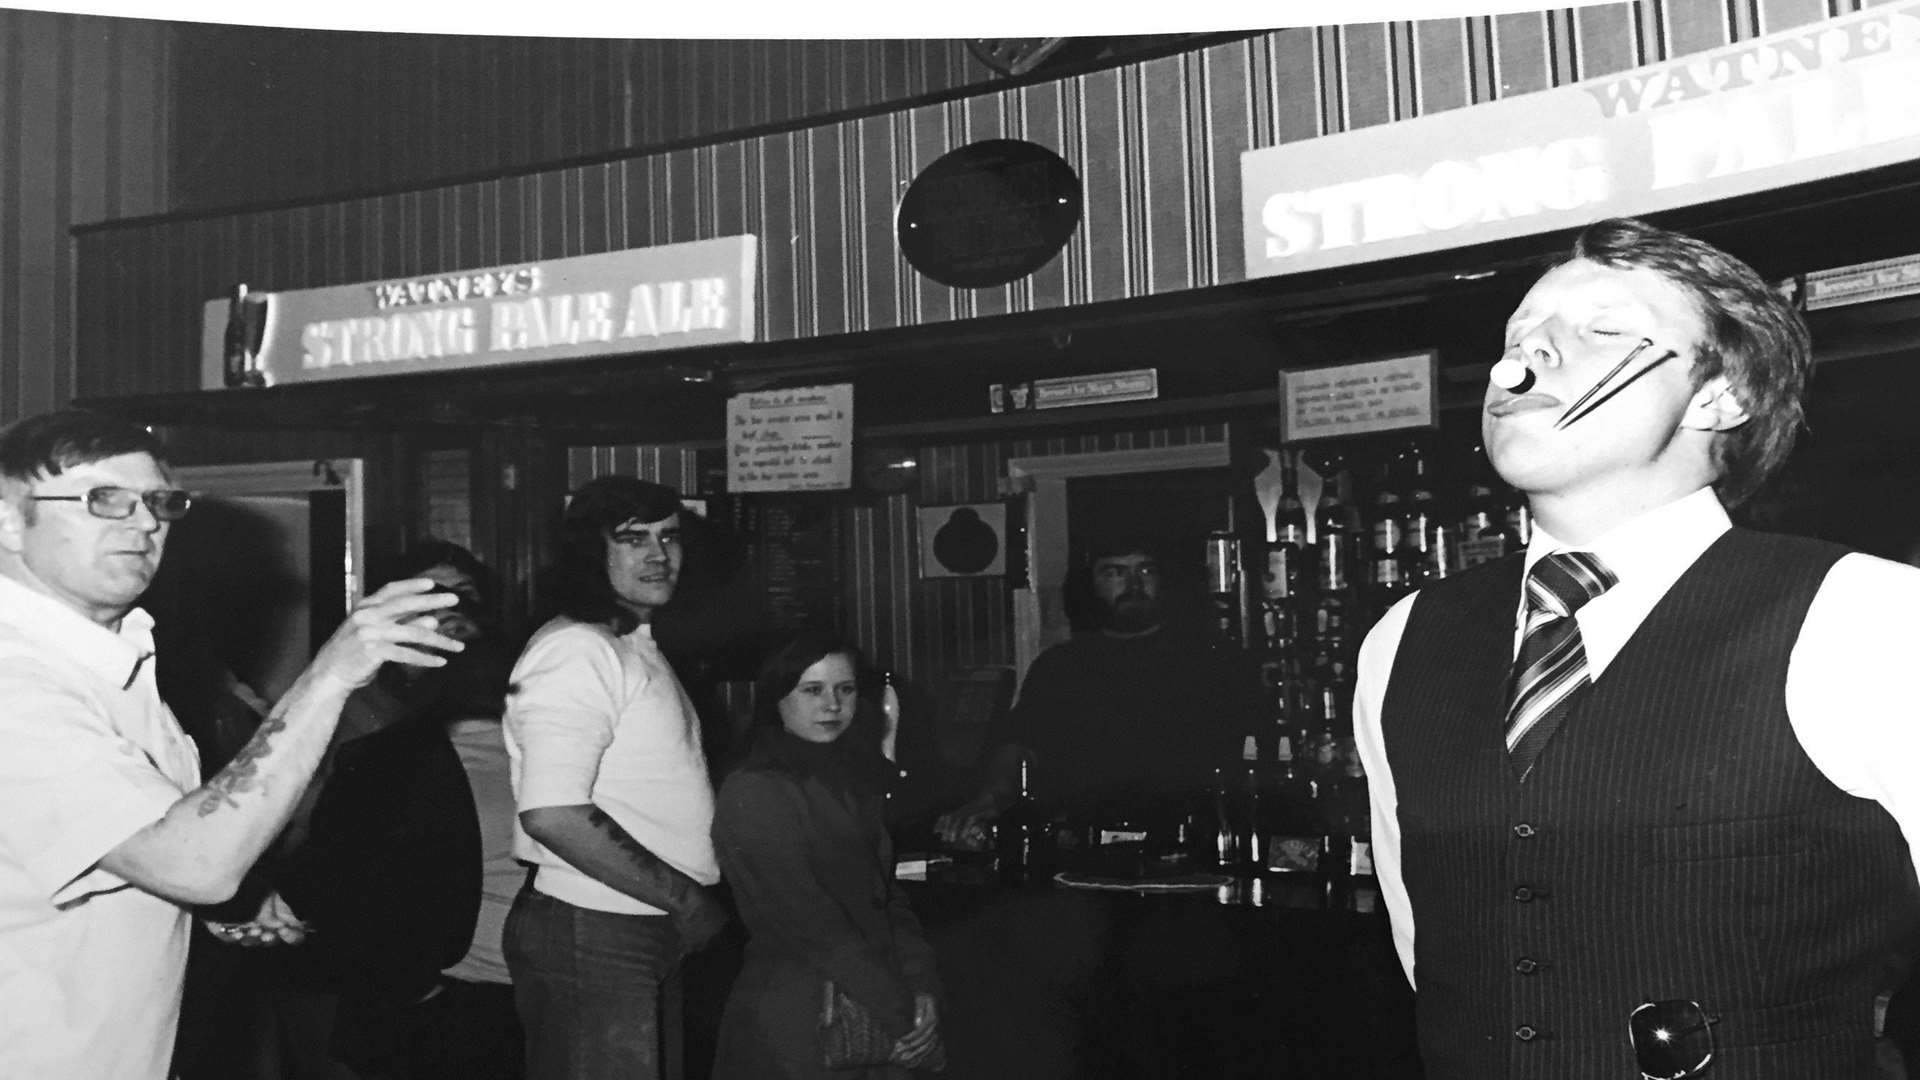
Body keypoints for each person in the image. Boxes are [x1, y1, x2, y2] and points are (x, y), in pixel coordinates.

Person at [1353, 217, 1920, 1079]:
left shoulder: (1867, 616)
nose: (1519, 364)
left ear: (1718, 396)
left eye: (1602, 330)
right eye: (1518, 336)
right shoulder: (1402, 640)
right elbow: (1424, 944)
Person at [0, 408, 463, 1079]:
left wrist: (220, 903)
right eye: (105, 501)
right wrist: (330, 676)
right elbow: (192, 864)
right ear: (10, 521)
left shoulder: (115, 655)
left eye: (159, 502)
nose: (144, 523)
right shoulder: (16, 681)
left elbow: (157, 847)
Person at [503, 475, 728, 1080]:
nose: (659, 555)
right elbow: (552, 813)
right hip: (598, 928)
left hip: (639, 923)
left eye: (670, 537)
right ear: (590, 552)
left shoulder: (628, 643)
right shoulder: (577, 649)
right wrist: (686, 900)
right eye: (633, 539)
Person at [261, 539, 505, 1080]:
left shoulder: (489, 700)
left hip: (440, 971)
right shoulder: (351, 704)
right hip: (331, 952)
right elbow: (297, 830)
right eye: (431, 595)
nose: (450, 611)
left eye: (464, 596)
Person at [710, 631, 944, 1079]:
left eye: (846, 689)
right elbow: (812, 926)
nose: (832, 705)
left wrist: (923, 989)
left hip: (877, 1007)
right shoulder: (755, 791)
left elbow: (889, 900)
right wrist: (902, 1017)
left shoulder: (852, 781)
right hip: (800, 1021)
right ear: (777, 698)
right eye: (812, 690)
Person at [936, 535, 1258, 840]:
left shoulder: (1213, 662)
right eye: (1115, 573)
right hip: (1084, 847)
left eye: (1145, 570)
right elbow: (1019, 743)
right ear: (1090, 582)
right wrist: (991, 798)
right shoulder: (1060, 667)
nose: (1133, 585)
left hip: (1186, 844)